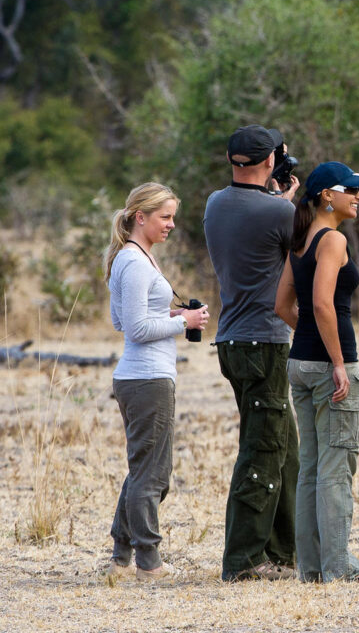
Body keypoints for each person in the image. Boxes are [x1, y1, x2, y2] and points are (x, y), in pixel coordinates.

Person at [274, 161, 359, 584]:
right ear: (326, 196)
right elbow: (321, 304)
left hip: (299, 365)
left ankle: (312, 568)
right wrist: (337, 362)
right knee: (336, 469)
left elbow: (283, 306)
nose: (358, 197)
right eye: (351, 190)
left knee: (312, 468)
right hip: (327, 369)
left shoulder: (300, 240)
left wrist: (308, 343)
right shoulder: (332, 239)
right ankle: (339, 568)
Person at [203, 125, 301, 582]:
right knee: (262, 450)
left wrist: (277, 198)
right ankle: (243, 560)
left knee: (284, 447)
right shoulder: (278, 213)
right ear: (271, 162)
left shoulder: (214, 203)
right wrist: (287, 203)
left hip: (233, 339)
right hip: (264, 341)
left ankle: (285, 551)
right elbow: (300, 250)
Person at [104, 182, 209, 582]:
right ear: (140, 217)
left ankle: (120, 555)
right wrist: (183, 321)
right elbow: (133, 328)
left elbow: (123, 319)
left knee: (143, 468)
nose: (171, 224)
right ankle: (149, 562)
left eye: (172, 217)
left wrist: (168, 314)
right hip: (146, 377)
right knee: (153, 474)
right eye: (164, 217)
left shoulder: (136, 258)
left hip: (145, 376)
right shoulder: (133, 262)